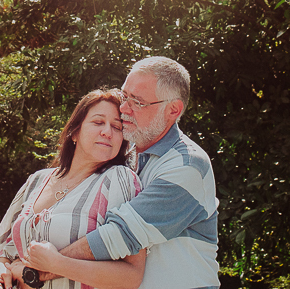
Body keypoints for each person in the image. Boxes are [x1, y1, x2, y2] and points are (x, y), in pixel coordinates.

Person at [23, 57, 220, 289]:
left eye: (137, 102)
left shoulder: (187, 166)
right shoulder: (124, 158)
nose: (124, 109)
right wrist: (7, 261)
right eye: (125, 96)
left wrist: (39, 270)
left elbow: (119, 236)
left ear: (173, 110)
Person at [0, 88, 147, 289]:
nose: (107, 132)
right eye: (98, 122)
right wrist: (0, 272)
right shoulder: (37, 180)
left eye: (117, 127)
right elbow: (5, 253)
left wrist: (55, 266)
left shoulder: (119, 179)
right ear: (74, 132)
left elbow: (131, 276)